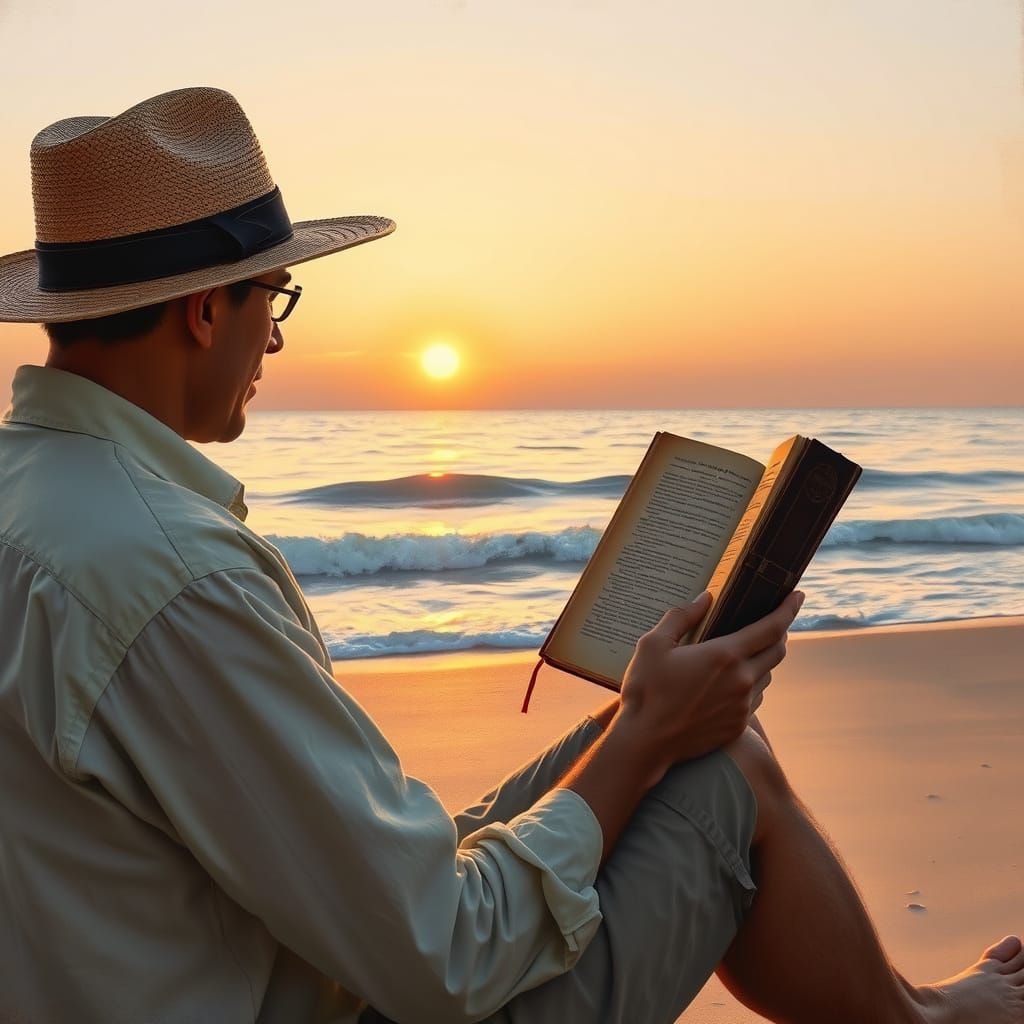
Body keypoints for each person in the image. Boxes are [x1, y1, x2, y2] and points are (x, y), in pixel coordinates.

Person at [0, 86, 1020, 1024]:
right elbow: (441, 959)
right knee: (717, 778)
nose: (273, 339)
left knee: (681, 743)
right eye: (276, 294)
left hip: (213, 951)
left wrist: (645, 723)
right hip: (319, 988)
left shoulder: (34, 499)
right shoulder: (174, 575)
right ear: (205, 307)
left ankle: (917, 1006)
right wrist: (646, 737)